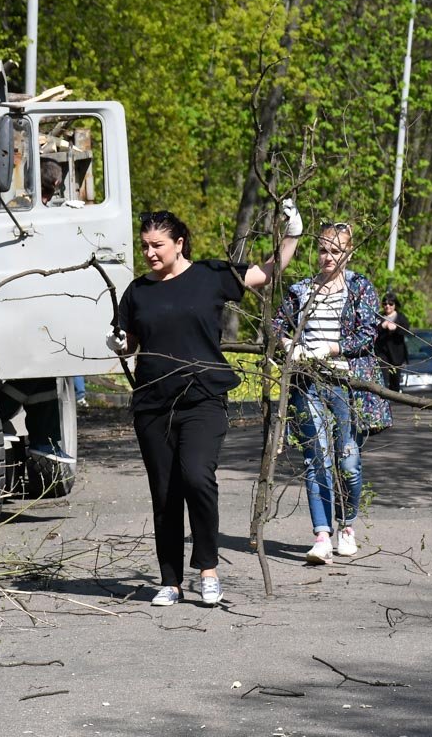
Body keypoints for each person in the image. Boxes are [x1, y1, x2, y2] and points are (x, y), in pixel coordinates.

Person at [110, 203, 302, 606]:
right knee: (164, 492)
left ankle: (209, 570)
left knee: (197, 477)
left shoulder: (211, 276)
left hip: (203, 398)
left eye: (157, 245)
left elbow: (267, 274)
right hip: (153, 404)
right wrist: (118, 343)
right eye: (144, 246)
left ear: (179, 244)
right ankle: (170, 582)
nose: (149, 253)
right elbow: (129, 343)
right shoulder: (137, 291)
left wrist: (293, 233)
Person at [271, 222, 392, 565]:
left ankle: (347, 526)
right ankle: (322, 535)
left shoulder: (360, 289)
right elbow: (279, 325)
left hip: (348, 386)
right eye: (323, 250)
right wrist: (288, 347)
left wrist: (330, 348)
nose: (328, 257)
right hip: (307, 383)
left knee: (348, 462)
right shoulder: (301, 290)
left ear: (349, 252)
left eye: (336, 251)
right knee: (316, 459)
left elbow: (367, 336)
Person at [374, 292, 410, 392]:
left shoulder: (401, 317)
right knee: (383, 377)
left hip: (397, 354)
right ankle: (384, 398)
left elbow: (406, 331)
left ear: (395, 305)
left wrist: (396, 328)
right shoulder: (379, 317)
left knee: (395, 378)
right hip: (382, 353)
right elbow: (372, 331)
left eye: (390, 304)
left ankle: (396, 399)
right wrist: (382, 326)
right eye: (385, 304)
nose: (387, 306)